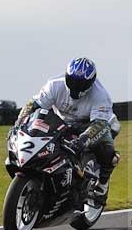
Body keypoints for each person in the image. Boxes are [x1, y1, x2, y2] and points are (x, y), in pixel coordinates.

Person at [15, 57, 119, 206]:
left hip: (91, 125)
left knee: (105, 147)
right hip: (60, 122)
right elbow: (33, 105)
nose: (76, 87)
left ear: (91, 82)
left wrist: (83, 139)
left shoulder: (100, 96)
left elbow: (99, 125)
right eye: (72, 81)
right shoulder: (54, 85)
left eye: (81, 84)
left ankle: (102, 185)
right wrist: (18, 124)